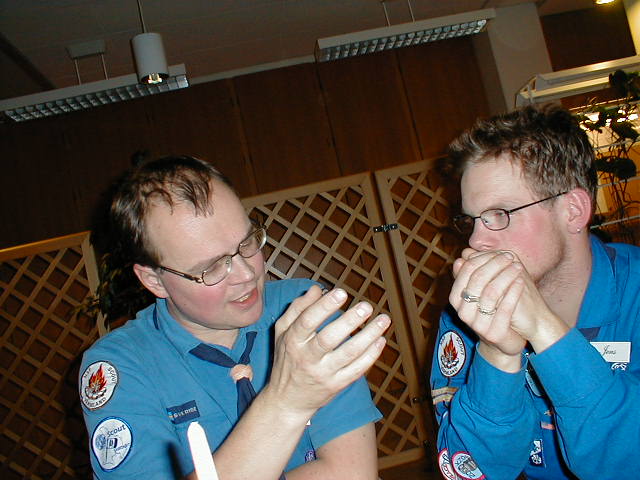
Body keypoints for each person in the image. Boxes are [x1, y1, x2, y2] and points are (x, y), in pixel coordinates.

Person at [79, 155, 390, 479]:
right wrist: (286, 402)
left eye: (247, 242)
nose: (247, 274)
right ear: (154, 281)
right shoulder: (121, 366)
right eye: (210, 268)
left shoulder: (303, 308)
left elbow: (352, 474)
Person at [430, 105, 640, 479]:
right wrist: (496, 352)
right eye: (471, 220)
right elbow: (470, 471)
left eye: (500, 214)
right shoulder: (471, 311)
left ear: (573, 210)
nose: (476, 241)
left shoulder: (634, 294)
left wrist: (545, 330)